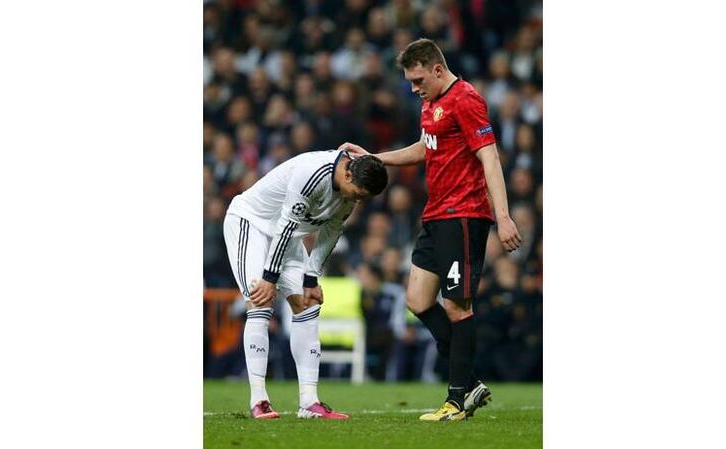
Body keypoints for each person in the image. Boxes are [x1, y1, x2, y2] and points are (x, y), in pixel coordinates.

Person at [342, 38, 522, 421]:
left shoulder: (466, 99)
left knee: (457, 306)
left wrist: (502, 216)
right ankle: (470, 382)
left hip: (464, 214)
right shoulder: (431, 103)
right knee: (418, 300)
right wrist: (375, 157)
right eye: (410, 80)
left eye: (418, 79)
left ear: (438, 69)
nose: (413, 87)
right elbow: (426, 148)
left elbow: (489, 157)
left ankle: (457, 399)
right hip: (436, 214)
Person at [223, 147, 388, 419]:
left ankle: (309, 402)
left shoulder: (351, 190)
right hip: (251, 224)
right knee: (260, 302)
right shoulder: (313, 173)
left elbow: (332, 230)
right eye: (358, 194)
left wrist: (312, 278)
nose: (358, 200)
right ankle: (259, 400)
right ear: (348, 175)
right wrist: (269, 278)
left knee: (308, 304)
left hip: (286, 238)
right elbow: (286, 225)